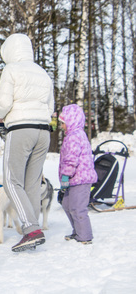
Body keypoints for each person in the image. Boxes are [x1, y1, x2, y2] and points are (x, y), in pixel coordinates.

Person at [0, 33, 54, 252]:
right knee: (32, 182)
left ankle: (31, 229)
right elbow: (50, 108)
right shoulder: (43, 73)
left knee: (12, 181)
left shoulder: (11, 70)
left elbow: (4, 103)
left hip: (21, 129)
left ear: (9, 51)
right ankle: (33, 229)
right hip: (44, 131)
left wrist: (0, 117)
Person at [58, 104, 97, 244]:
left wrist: (65, 176)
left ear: (71, 122)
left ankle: (85, 236)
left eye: (63, 123)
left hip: (80, 179)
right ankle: (78, 231)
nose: (61, 126)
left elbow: (71, 159)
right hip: (75, 179)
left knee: (78, 208)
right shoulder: (75, 135)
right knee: (67, 204)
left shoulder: (74, 137)